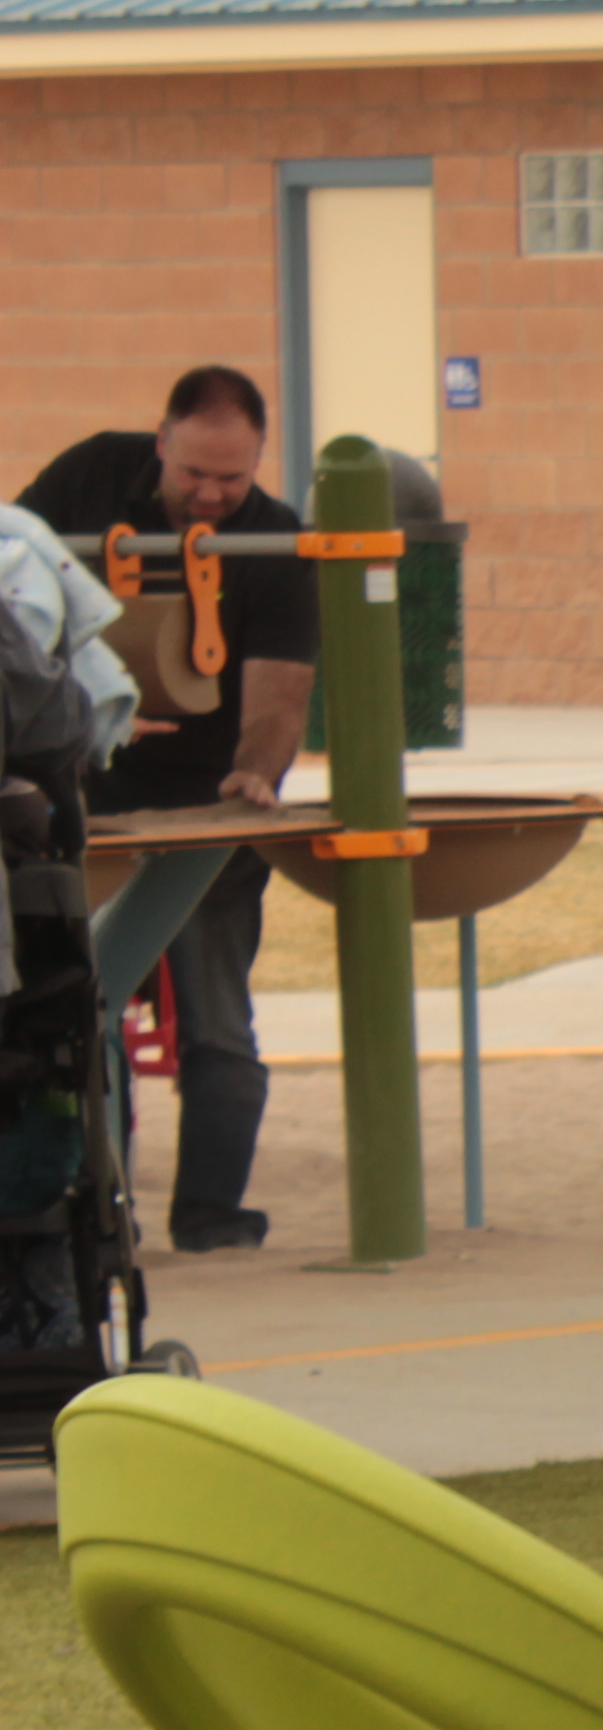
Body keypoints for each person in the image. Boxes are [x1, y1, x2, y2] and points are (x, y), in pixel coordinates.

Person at [20, 366, 313, 1251]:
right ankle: (88, 1206)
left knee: (218, 1023)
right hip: (88, 803)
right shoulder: (88, 478)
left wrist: (256, 775)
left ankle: (212, 1216)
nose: (214, 494)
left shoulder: (274, 541)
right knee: (73, 1010)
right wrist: (79, 704)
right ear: (162, 443)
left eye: (234, 476)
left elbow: (280, 694)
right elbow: (16, 577)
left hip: (210, 811)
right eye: (196, 475)